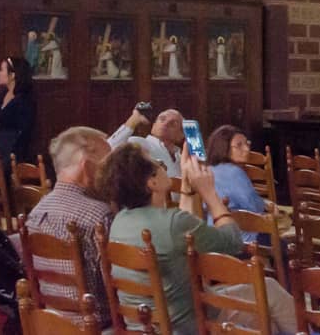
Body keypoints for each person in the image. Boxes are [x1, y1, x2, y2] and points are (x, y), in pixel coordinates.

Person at [101, 145, 295, 334]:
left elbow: (180, 233)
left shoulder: (120, 220)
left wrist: (187, 187)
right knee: (269, 291)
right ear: (151, 183)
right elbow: (233, 243)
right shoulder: (173, 223)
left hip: (144, 325)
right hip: (188, 323)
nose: (163, 167)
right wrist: (209, 193)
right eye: (159, 163)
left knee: (269, 318)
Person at [26, 127, 113, 328]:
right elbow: (115, 289)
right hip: (96, 326)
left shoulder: (36, 213)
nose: (111, 173)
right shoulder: (99, 215)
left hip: (50, 323)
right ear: (87, 166)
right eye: (107, 164)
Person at [204, 126, 268, 243]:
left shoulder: (208, 169)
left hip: (213, 233)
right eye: (239, 145)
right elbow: (254, 207)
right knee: (281, 244)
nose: (246, 149)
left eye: (247, 144)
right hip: (241, 237)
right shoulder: (235, 172)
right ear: (223, 148)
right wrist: (265, 205)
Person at [0, 54, 37, 162]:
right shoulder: (2, 95)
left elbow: (23, 131)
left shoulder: (24, 100)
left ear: (12, 75)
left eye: (2, 70)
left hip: (12, 154)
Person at [107, 107, 184, 179]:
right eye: (162, 119)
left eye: (173, 124)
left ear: (181, 135)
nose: (166, 123)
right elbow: (109, 150)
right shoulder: (139, 143)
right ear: (153, 126)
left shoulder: (182, 158)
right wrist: (134, 119)